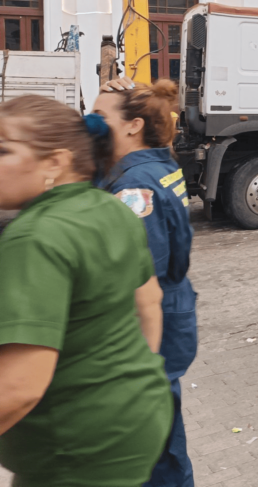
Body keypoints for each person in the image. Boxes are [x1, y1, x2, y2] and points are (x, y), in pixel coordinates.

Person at [0, 95, 172, 486]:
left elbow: (19, 385)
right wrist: (130, 381)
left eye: (3, 149)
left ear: (55, 162)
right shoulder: (109, 206)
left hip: (76, 447)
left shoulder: (35, 236)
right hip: (137, 415)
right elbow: (149, 301)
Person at [93, 79, 198, 487]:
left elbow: (142, 284)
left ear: (134, 126)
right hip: (174, 309)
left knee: (157, 448)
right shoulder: (157, 161)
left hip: (155, 321)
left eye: (99, 117)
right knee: (163, 432)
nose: (91, 123)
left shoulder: (134, 189)